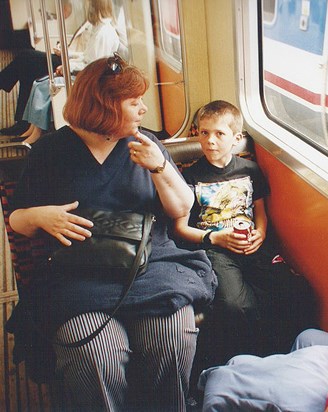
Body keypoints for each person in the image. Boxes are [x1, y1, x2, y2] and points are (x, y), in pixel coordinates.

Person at [7, 54, 217, 412]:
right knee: (94, 356)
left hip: (151, 265)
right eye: (134, 102)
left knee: (172, 339)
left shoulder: (147, 143)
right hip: (76, 275)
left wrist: (160, 167)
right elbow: (17, 220)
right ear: (104, 105)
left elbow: (182, 208)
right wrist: (40, 216)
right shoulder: (50, 152)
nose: (144, 109)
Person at [173, 100, 316, 368]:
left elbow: (259, 209)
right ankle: (247, 363)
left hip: (251, 244)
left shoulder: (248, 170)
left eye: (219, 134)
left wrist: (260, 233)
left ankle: (287, 358)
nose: (210, 141)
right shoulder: (190, 177)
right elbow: (179, 228)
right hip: (215, 249)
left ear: (236, 138)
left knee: (297, 291)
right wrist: (214, 238)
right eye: (203, 133)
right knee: (237, 307)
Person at [16, 0, 120, 145]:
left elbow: (94, 65)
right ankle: (33, 128)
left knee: (44, 86)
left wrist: (68, 67)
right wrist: (68, 61)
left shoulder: (104, 33)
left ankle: (38, 133)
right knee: (38, 83)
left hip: (91, 79)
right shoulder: (99, 29)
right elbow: (87, 57)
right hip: (86, 72)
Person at [0, 0, 74, 136]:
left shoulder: (103, 32)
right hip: (66, 58)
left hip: (70, 65)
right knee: (26, 68)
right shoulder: (91, 26)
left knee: (26, 57)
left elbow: (90, 60)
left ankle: (22, 121)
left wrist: (68, 57)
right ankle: (22, 122)